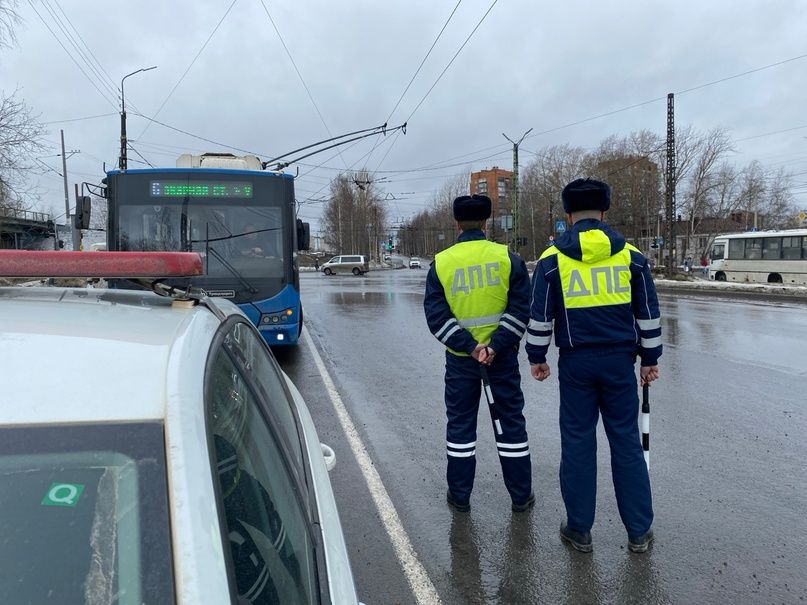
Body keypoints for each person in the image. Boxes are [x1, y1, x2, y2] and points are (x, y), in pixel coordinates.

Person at [526, 178, 661, 553]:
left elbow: (540, 319)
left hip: (576, 366)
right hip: (620, 364)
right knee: (627, 444)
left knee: (578, 444)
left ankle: (579, 530)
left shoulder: (552, 260)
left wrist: (537, 358)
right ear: (604, 212)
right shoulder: (632, 257)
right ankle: (639, 533)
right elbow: (648, 314)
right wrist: (649, 360)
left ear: (568, 215)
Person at [424, 194, 534, 513]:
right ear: (486, 223)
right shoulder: (507, 259)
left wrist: (469, 346)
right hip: (502, 360)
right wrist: (495, 345)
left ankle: (460, 497)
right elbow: (519, 310)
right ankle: (520, 496)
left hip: (461, 362)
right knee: (510, 425)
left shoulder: (442, 263)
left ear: (456, 223)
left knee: (460, 427)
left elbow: (437, 316)